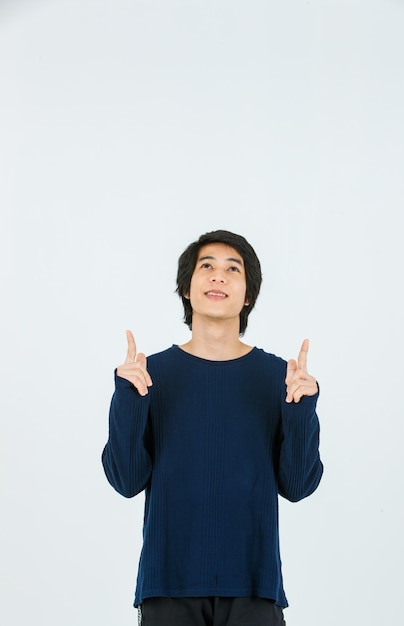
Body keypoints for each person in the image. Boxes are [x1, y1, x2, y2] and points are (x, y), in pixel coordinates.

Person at [102, 229, 323, 626]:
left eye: (231, 269)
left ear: (248, 294)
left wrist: (301, 409)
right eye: (207, 267)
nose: (218, 276)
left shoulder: (280, 378)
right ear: (187, 288)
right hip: (167, 588)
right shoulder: (150, 375)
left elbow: (298, 486)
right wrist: (128, 400)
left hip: (255, 588)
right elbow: (126, 479)